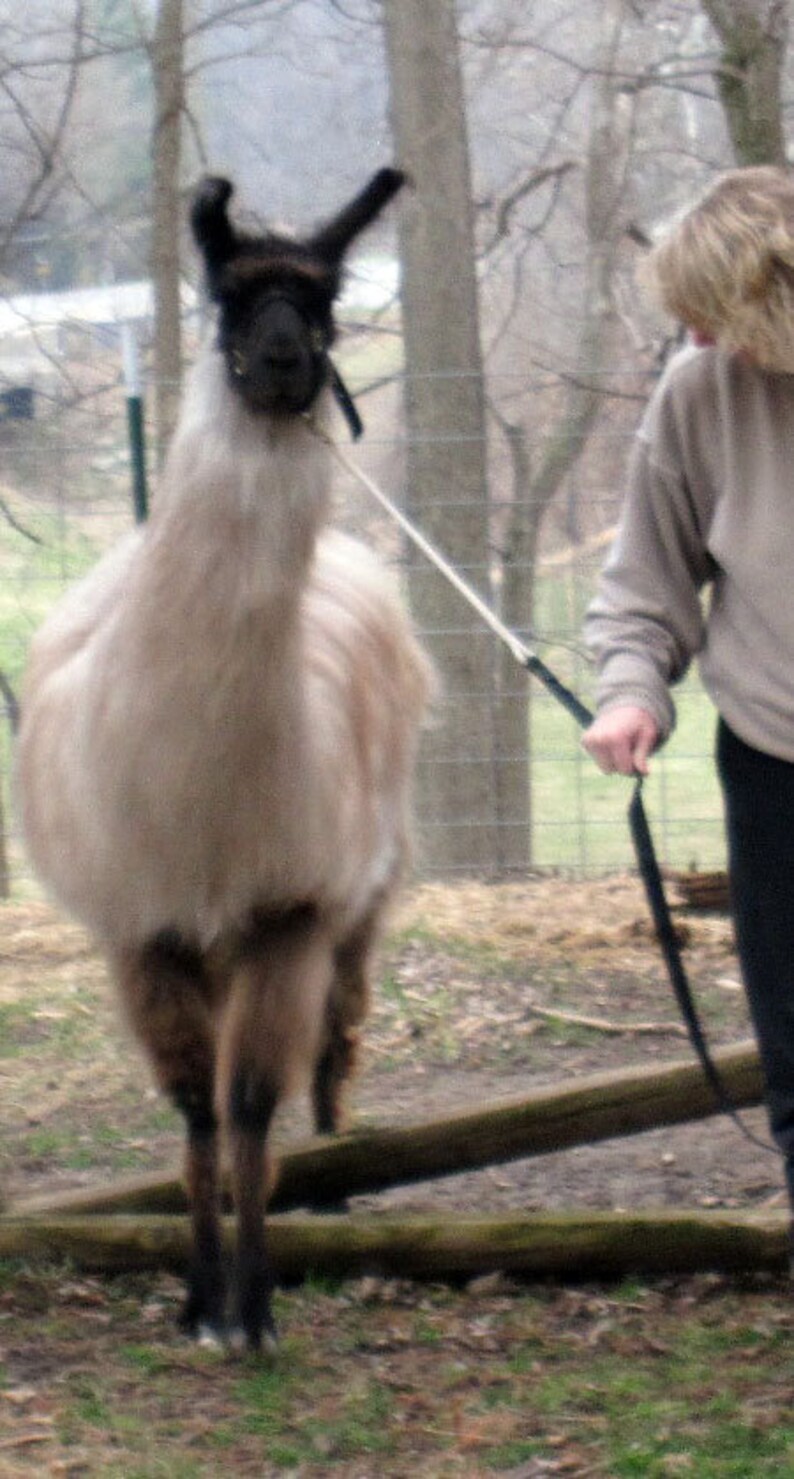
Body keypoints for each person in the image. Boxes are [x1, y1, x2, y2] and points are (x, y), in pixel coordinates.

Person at [582, 164, 794, 1219]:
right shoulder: (696, 393)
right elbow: (644, 586)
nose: (698, 342)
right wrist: (631, 693)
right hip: (773, 763)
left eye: (716, 317)